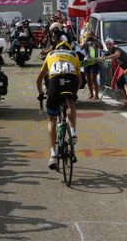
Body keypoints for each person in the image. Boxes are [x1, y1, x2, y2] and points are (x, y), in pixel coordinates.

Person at [36, 41, 82, 171]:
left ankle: (53, 155)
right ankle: (73, 132)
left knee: (51, 119)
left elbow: (39, 79)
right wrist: (74, 94)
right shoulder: (73, 54)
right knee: (70, 102)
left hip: (55, 82)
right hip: (71, 80)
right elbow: (80, 80)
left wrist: (40, 93)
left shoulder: (50, 54)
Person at [100, 38, 127, 107]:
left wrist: (105, 58)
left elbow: (117, 55)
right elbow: (101, 57)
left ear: (113, 44)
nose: (108, 46)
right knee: (118, 84)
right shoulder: (108, 52)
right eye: (107, 44)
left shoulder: (117, 50)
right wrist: (97, 59)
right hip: (126, 71)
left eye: (110, 44)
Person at [80, 30, 103, 99]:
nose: (90, 36)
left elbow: (101, 47)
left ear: (94, 35)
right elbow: (81, 47)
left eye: (92, 35)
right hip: (87, 61)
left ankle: (96, 94)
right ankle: (91, 93)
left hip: (95, 61)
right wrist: (86, 40)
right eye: (89, 34)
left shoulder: (96, 41)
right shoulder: (85, 40)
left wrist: (96, 39)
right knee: (88, 79)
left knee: (94, 79)